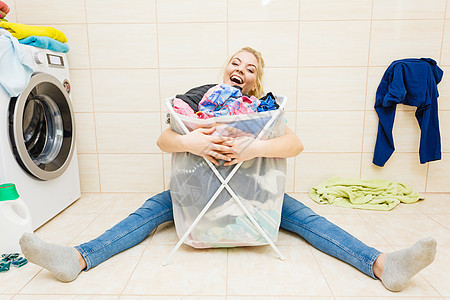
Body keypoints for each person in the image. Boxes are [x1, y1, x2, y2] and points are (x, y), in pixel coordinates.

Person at [20, 47, 436, 292]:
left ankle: (382, 265)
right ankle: (77, 258)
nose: (241, 70)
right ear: (225, 70)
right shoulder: (200, 97)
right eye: (235, 63)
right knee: (147, 213)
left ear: (255, 82)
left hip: (255, 192)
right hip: (194, 192)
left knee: (308, 218)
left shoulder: (265, 106)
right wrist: (191, 141)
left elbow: (295, 144)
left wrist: (255, 147)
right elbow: (164, 139)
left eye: (250, 68)